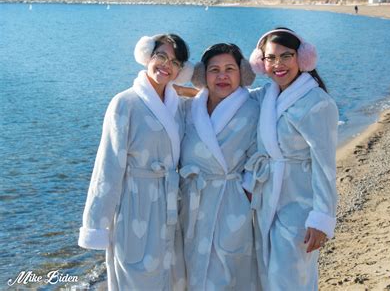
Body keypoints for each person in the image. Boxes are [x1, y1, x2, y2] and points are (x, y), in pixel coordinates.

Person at [78, 33, 193, 290]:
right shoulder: (125, 103)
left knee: (172, 276)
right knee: (137, 275)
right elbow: (107, 167)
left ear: (181, 70)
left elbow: (210, 94)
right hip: (135, 204)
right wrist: (97, 225)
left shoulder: (179, 105)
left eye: (175, 62)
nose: (166, 65)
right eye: (160, 56)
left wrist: (180, 88)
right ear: (147, 57)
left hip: (171, 203)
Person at [247, 28, 338, 289]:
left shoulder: (317, 103)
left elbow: (325, 166)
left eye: (285, 56)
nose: (278, 65)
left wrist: (321, 217)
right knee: (269, 276)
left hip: (300, 203)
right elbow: (232, 98)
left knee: (290, 278)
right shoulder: (267, 95)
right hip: (267, 200)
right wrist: (174, 91)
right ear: (260, 62)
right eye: (270, 58)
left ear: (303, 58)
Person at [179, 43, 259, 290]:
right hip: (191, 202)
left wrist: (245, 196)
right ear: (202, 75)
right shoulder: (188, 108)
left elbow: (260, 159)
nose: (222, 76)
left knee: (227, 272)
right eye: (214, 69)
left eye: (230, 69)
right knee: (190, 267)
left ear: (242, 73)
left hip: (232, 203)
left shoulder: (253, 109)